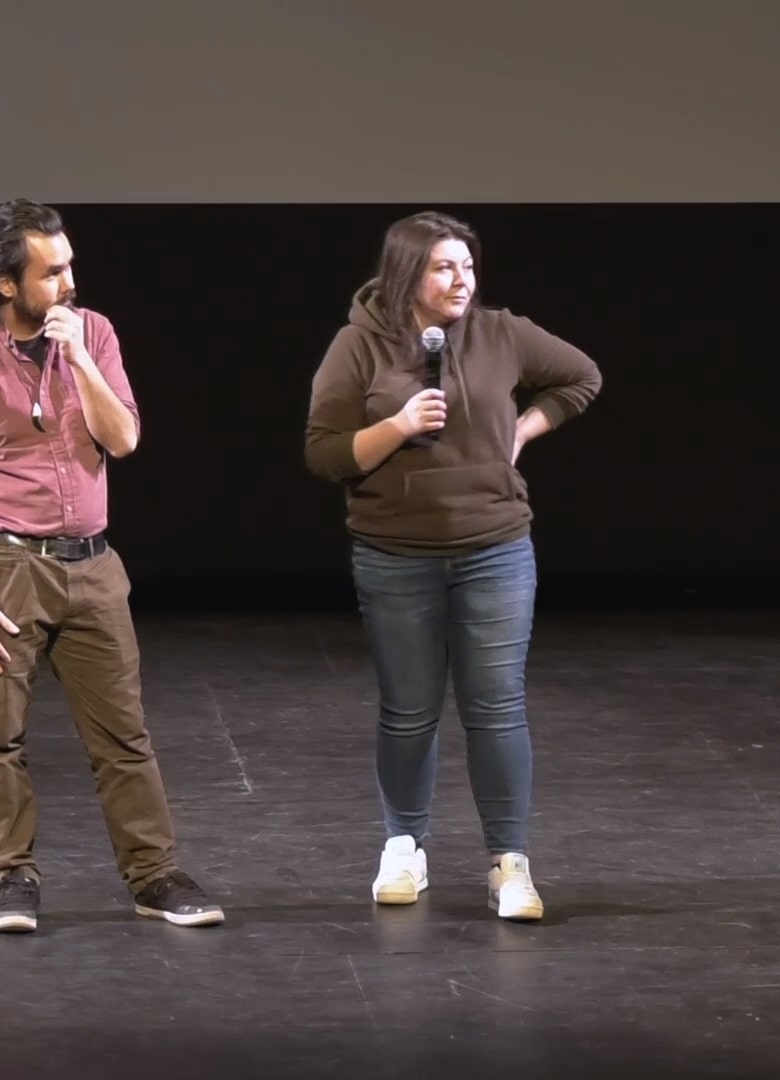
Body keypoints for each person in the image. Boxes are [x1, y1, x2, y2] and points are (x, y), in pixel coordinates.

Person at [0, 198, 224, 933]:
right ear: (6, 283)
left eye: (70, 266)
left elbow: (123, 439)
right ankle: (13, 877)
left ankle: (153, 877)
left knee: (123, 737)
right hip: (6, 568)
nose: (69, 282)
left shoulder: (97, 335)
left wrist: (81, 356)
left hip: (92, 568)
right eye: (52, 272)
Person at [304, 211, 603, 922]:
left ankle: (509, 861)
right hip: (395, 555)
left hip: (496, 548)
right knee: (408, 712)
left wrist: (523, 430)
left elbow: (581, 378)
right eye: (444, 267)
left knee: (496, 709)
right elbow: (323, 451)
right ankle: (404, 845)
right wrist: (399, 427)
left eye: (467, 266)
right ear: (408, 273)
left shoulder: (502, 333)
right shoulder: (359, 345)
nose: (461, 279)